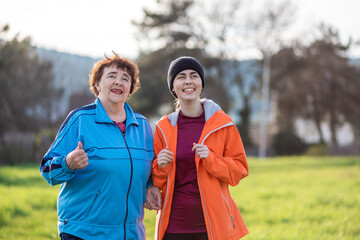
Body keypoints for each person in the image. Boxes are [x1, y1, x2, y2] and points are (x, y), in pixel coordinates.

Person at [40, 52, 161, 240]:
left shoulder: (143, 125)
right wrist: (68, 163)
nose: (119, 82)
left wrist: (150, 186)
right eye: (112, 76)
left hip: (131, 233)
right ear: (97, 84)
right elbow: (47, 169)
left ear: (130, 89)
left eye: (125, 79)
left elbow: (146, 169)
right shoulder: (79, 119)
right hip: (84, 231)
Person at [152, 56, 249, 240]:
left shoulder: (223, 124)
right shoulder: (162, 128)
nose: (188, 80)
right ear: (173, 87)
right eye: (181, 76)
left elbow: (239, 171)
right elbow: (157, 182)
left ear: (201, 84)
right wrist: (161, 166)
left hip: (213, 227)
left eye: (194, 75)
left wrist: (211, 159)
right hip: (172, 228)